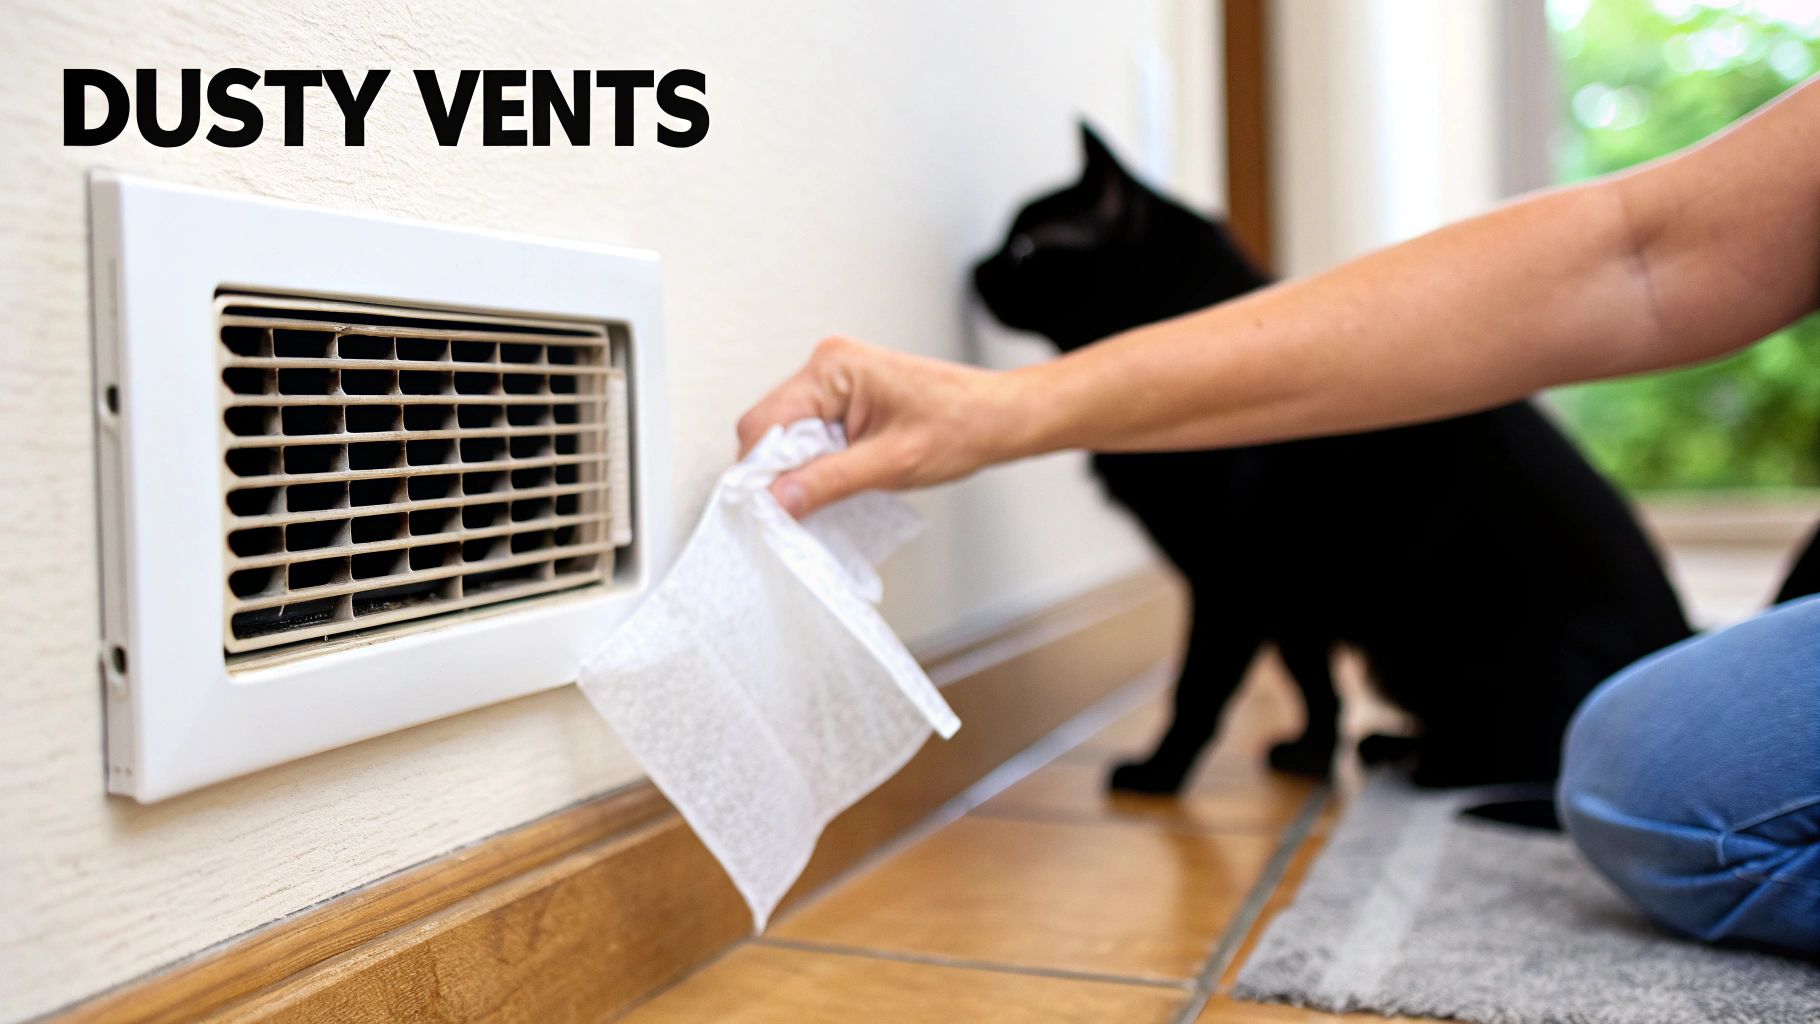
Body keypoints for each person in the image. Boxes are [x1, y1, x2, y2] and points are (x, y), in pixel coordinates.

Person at [735, 78, 1820, 955]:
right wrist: (1008, 410)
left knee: (1648, 800)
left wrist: (1183, 749)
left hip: (1554, 661)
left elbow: (1244, 588)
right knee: (1644, 762)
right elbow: (1637, 249)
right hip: (1595, 648)